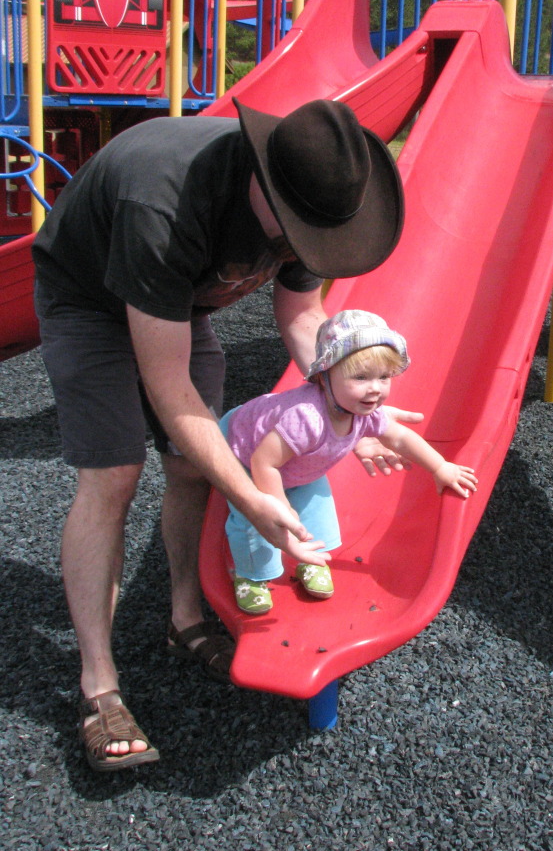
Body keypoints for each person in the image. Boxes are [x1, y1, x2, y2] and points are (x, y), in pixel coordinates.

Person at [32, 98, 417, 772]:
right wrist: (250, 497)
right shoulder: (165, 202)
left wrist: (348, 413)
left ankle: (184, 618)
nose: (303, 247)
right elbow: (169, 387)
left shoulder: (314, 198)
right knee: (114, 475)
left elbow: (304, 318)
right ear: (262, 182)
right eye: (298, 231)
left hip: (177, 304)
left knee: (189, 464)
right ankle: (99, 685)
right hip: (88, 300)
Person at [220, 309, 478, 614]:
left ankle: (310, 558)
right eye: (361, 377)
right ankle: (251, 574)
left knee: (318, 509)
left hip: (298, 464)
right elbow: (264, 463)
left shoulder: (363, 409)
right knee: (257, 517)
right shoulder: (306, 418)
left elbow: (398, 438)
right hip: (245, 452)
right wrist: (278, 505)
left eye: (384, 377)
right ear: (324, 377)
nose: (375, 388)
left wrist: (440, 466)